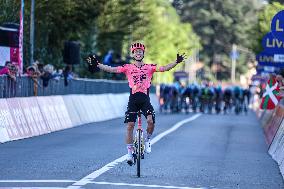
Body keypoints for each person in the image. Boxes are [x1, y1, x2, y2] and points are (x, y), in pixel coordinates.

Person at [87, 42, 186, 165]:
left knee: (150, 121)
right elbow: (111, 69)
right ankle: (129, 153)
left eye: (140, 51)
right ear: (133, 54)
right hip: (133, 100)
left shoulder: (150, 67)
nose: (138, 53)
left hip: (145, 100)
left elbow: (164, 68)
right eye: (136, 52)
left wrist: (176, 62)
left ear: (143, 54)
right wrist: (98, 64)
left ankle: (148, 140)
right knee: (130, 126)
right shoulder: (127, 67)